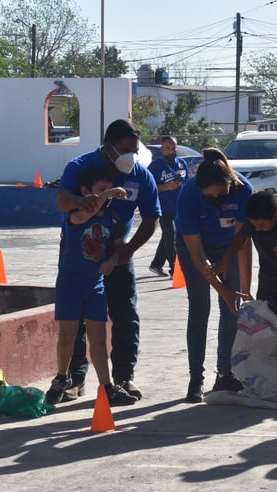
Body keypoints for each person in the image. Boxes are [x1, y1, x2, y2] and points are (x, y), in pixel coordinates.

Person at [56, 119, 161, 402]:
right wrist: (81, 203)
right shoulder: (82, 167)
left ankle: (124, 377)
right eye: (126, 149)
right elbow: (62, 198)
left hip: (117, 252)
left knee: (125, 313)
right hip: (79, 251)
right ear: (109, 147)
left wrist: (125, 253)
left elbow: (152, 218)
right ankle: (75, 379)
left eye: (135, 150)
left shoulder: (140, 174)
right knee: (75, 317)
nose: (132, 156)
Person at [46, 167, 138, 406]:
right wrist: (108, 194)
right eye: (101, 190)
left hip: (94, 284)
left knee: (98, 339)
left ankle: (107, 387)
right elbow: (82, 217)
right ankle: (61, 378)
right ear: (86, 192)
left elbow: (117, 248)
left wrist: (112, 260)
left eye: (108, 190)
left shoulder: (111, 219)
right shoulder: (75, 215)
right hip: (70, 282)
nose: (107, 196)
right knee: (67, 334)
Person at [175, 148, 254, 403]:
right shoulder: (188, 196)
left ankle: (225, 372)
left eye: (220, 196)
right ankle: (195, 377)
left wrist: (244, 288)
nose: (216, 200)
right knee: (200, 307)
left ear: (229, 184)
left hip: (229, 246)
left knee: (232, 308)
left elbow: (244, 241)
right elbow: (198, 257)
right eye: (210, 197)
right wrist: (223, 289)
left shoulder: (244, 191)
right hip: (194, 248)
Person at [216, 190, 277, 345]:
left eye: (261, 225)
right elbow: (241, 237)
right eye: (254, 225)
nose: (257, 229)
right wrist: (226, 259)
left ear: (276, 217)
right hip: (269, 280)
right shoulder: (255, 223)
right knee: (265, 329)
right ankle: (268, 368)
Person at [148, 135, 188, 277]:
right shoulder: (155, 166)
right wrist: (167, 187)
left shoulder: (182, 163)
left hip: (179, 207)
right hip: (163, 207)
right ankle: (174, 268)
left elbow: (187, 184)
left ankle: (156, 264)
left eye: (173, 148)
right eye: (167, 149)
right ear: (162, 149)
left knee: (167, 236)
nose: (171, 151)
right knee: (171, 235)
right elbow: (150, 189)